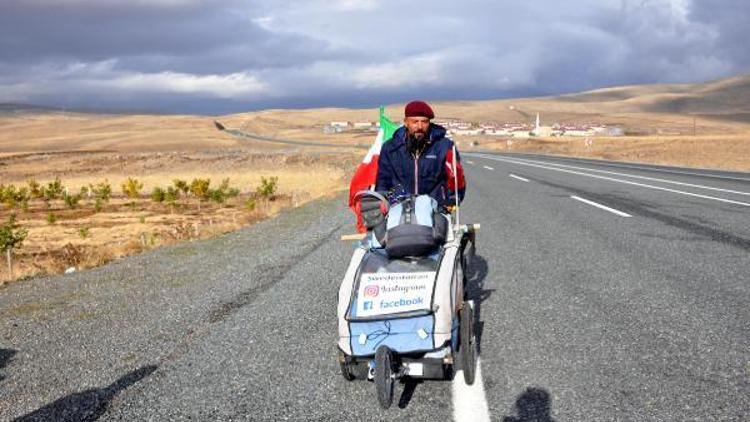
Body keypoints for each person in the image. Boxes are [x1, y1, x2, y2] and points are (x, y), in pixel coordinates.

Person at [375, 100, 466, 210]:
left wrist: (452, 199)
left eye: (424, 122)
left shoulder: (445, 146)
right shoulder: (390, 148)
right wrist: (381, 201)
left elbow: (455, 178)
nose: (420, 126)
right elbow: (383, 179)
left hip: (436, 209)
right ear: (406, 122)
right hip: (398, 209)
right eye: (415, 121)